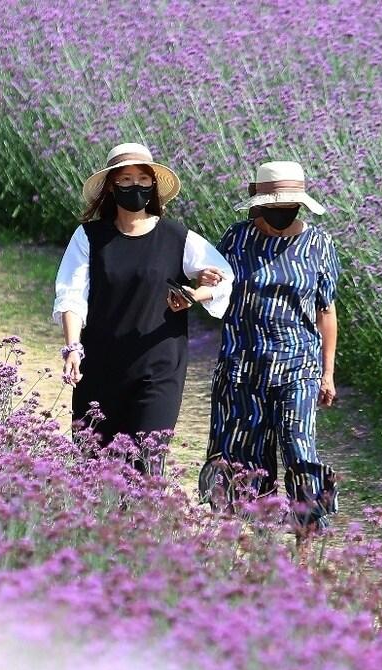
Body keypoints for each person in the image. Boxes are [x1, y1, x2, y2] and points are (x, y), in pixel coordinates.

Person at [52, 142, 233, 474]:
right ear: (111, 187)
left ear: (154, 186)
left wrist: (196, 293)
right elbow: (71, 295)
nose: (135, 186)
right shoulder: (90, 237)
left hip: (159, 367)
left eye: (142, 179)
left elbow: (224, 280)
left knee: (146, 464)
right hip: (101, 367)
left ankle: (143, 525)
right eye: (125, 180)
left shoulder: (179, 237)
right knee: (95, 467)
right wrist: (73, 348)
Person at [199, 160, 342, 540]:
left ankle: (306, 541)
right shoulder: (236, 239)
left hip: (298, 366)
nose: (281, 212)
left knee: (300, 451)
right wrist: (204, 281)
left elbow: (326, 312)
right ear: (258, 204)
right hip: (241, 366)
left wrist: (327, 373)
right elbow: (213, 288)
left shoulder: (318, 244)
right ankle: (252, 541)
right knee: (244, 454)